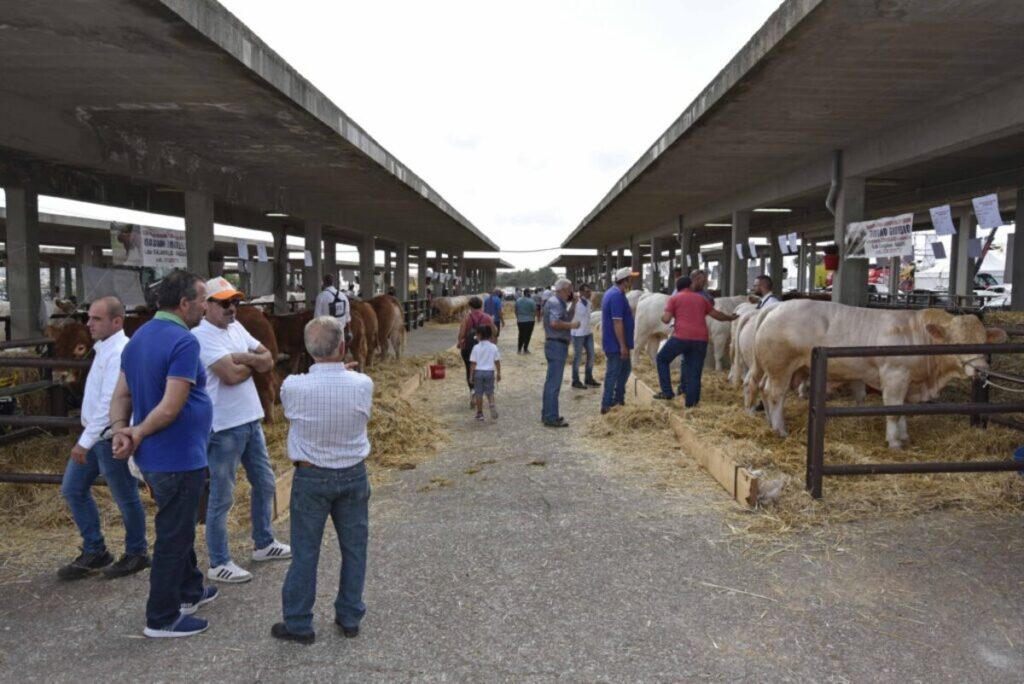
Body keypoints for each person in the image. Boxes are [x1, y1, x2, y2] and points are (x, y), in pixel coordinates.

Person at [109, 269, 216, 638]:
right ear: (184, 303)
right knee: (174, 535)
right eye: (203, 300)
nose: (206, 306)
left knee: (178, 524)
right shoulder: (183, 342)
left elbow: (121, 395)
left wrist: (121, 428)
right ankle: (162, 617)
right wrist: (134, 431)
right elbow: (171, 407)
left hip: (155, 457)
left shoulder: (138, 338)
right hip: (178, 456)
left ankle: (190, 591)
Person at [272, 317, 372, 644]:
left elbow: (293, 405)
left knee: (305, 551)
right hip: (353, 474)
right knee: (354, 549)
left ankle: (299, 623)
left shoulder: (292, 387)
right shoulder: (363, 384)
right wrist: (345, 374)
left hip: (311, 476)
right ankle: (349, 616)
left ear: (308, 350)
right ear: (343, 347)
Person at [192, 277, 291, 584]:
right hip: (223, 426)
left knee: (265, 481)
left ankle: (263, 542)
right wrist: (255, 363)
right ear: (206, 305)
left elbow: (267, 358)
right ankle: (219, 561)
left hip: (250, 419)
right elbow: (232, 376)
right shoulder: (200, 336)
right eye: (224, 303)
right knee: (223, 495)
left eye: (235, 301)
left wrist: (244, 358)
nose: (232, 308)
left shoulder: (236, 328)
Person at [58, 296, 149, 581]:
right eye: (90, 317)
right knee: (73, 489)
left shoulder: (121, 350)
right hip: (97, 435)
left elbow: (110, 403)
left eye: (96, 319)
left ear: (117, 321)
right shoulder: (103, 350)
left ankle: (136, 552)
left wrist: (84, 441)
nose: (89, 323)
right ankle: (95, 549)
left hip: (109, 436)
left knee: (125, 496)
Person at [654, 270, 738, 407]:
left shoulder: (674, 298)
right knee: (694, 371)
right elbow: (716, 315)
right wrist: (730, 317)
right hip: (700, 340)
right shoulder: (702, 299)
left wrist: (662, 317)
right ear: (690, 285)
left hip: (681, 338)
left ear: (678, 287)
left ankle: (667, 392)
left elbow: (666, 319)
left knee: (662, 358)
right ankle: (691, 405)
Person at [541, 278, 580, 427]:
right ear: (563, 289)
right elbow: (555, 323)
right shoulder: (556, 303)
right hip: (556, 344)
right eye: (569, 289)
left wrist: (574, 305)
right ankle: (551, 417)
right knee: (554, 384)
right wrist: (572, 325)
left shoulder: (557, 302)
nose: (571, 292)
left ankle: (547, 413)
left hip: (554, 344)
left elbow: (565, 318)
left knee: (550, 382)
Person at [601, 268, 637, 415]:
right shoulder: (616, 296)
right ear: (625, 280)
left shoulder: (616, 293)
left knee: (624, 370)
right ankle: (607, 403)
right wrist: (622, 346)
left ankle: (618, 398)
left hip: (618, 343)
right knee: (613, 373)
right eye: (630, 279)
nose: (632, 281)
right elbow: (617, 323)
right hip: (615, 344)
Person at [456, 297, 496, 403]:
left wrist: (460, 342)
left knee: (470, 369)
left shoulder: (467, 318)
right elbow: (494, 331)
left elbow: (462, 333)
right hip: (485, 348)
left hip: (469, 347)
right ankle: (482, 391)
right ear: (481, 305)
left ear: (470, 306)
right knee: (483, 368)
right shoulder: (488, 317)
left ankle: (473, 390)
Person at [570, 283, 599, 390]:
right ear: (581, 292)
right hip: (577, 334)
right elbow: (569, 315)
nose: (589, 293)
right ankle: (575, 380)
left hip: (588, 332)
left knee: (591, 356)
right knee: (577, 357)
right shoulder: (575, 303)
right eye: (587, 291)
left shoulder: (587, 301)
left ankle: (588, 378)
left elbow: (592, 308)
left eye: (589, 291)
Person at [469, 324, 501, 421]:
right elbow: (497, 361)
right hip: (489, 372)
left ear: (479, 335)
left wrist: (471, 375)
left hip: (478, 372)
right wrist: (499, 373)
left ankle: (480, 413)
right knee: (490, 392)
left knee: (479, 393)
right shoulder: (494, 347)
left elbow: (473, 363)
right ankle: (491, 405)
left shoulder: (476, 347)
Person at [314, 274, 352, 341]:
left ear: (323, 283)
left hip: (326, 335)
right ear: (333, 283)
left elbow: (317, 318)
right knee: (340, 350)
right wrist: (349, 331)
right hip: (340, 333)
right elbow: (347, 316)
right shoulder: (343, 296)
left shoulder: (321, 297)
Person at [514, 288, 538, 354]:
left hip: (520, 320)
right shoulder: (531, 301)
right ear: (528, 293)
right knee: (528, 335)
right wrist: (533, 317)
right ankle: (525, 349)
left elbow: (515, 310)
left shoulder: (518, 300)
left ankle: (519, 349)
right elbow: (535, 311)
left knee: (521, 334)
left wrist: (518, 317)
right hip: (530, 320)